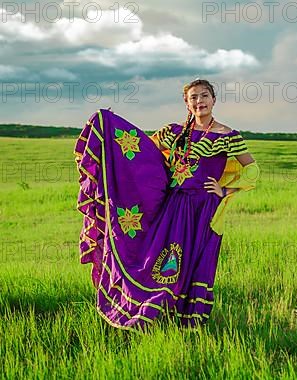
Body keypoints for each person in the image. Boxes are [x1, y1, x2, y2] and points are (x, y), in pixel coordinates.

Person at [73, 78, 260, 331]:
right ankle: (151, 308)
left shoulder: (227, 136)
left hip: (203, 209)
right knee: (161, 258)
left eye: (204, 96)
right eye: (193, 97)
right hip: (172, 206)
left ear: (213, 100)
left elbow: (252, 168)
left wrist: (225, 189)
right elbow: (141, 152)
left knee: (193, 261)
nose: (199, 101)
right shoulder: (172, 132)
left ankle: (186, 319)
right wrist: (109, 129)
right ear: (187, 102)